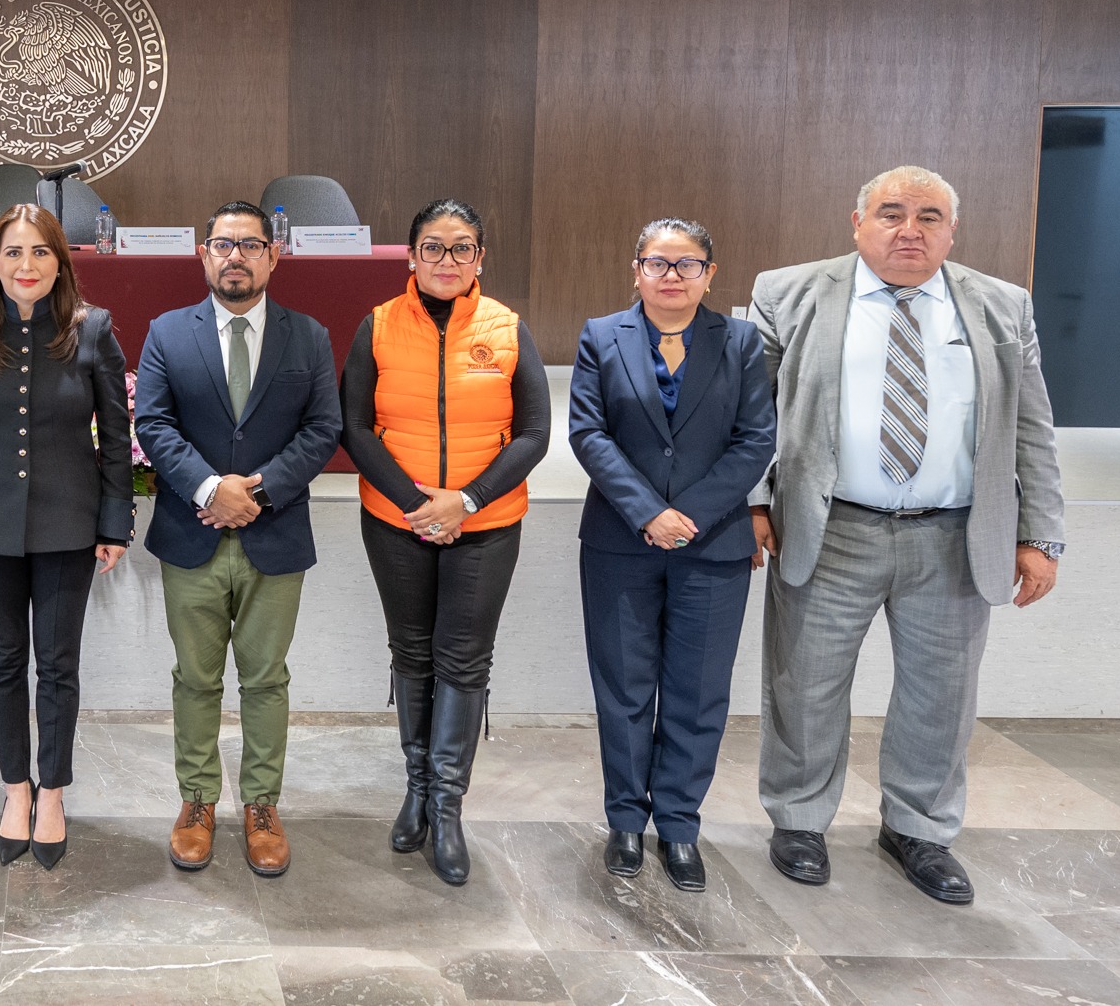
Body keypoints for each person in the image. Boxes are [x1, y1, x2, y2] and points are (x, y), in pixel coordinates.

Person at [751, 166, 1064, 906]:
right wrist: (755, 503)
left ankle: (919, 829)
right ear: (857, 222)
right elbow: (753, 413)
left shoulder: (1002, 305)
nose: (909, 230)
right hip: (830, 528)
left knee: (941, 694)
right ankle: (799, 820)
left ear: (952, 232)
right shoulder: (789, 293)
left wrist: (1041, 535)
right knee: (805, 684)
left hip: (953, 536)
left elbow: (1032, 427)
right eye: (891, 213)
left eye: (929, 217)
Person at [340, 198, 550, 886]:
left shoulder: (507, 328)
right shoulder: (377, 325)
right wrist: (417, 505)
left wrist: (466, 500)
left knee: (463, 659)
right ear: (411, 255)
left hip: (484, 525)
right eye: (433, 246)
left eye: (462, 248)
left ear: (479, 257)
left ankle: (447, 806)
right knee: (412, 651)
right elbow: (355, 427)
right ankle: (417, 789)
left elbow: (534, 434)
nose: (447, 260)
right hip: (396, 521)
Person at [133, 201, 342, 878]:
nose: (236, 257)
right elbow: (153, 423)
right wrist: (207, 488)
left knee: (266, 679)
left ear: (273, 256)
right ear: (203, 254)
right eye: (224, 244)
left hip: (273, 534)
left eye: (250, 245)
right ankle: (197, 800)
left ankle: (261, 805)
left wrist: (257, 490)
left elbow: (323, 428)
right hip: (191, 534)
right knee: (195, 678)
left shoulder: (307, 336)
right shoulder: (169, 332)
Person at [567, 218, 776, 891]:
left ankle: (680, 825)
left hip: (712, 545)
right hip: (620, 541)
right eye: (658, 263)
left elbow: (756, 439)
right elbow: (588, 433)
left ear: (710, 275)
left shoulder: (740, 340)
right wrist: (648, 512)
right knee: (624, 687)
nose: (672, 276)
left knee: (697, 691)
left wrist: (690, 516)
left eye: (688, 264)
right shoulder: (602, 335)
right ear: (637, 270)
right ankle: (626, 820)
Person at [0, 203, 134, 871]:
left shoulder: (91, 329)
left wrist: (116, 522)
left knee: (59, 665)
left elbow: (116, 436)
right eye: (13, 252)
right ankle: (16, 789)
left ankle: (54, 793)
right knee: (4, 662)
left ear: (60, 263)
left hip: (68, 524)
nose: (26, 264)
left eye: (40, 251)